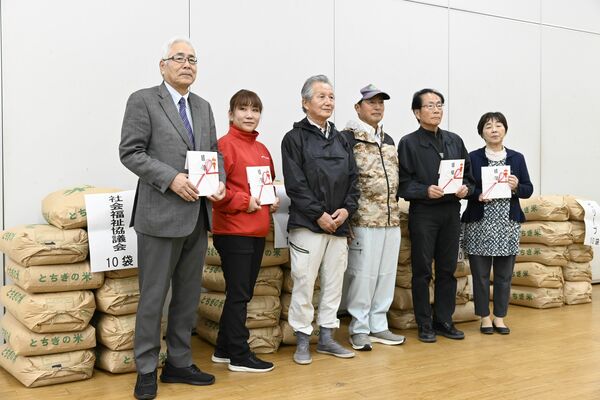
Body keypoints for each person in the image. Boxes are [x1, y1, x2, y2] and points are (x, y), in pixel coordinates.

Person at [119, 37, 225, 400]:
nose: (186, 65)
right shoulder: (144, 100)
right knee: (153, 297)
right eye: (179, 58)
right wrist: (171, 178)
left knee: (187, 295)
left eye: (192, 59)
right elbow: (130, 152)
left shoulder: (203, 107)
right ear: (162, 65)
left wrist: (219, 182)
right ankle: (147, 368)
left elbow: (213, 154)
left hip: (197, 215)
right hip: (159, 215)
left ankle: (179, 362)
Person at [281, 74, 360, 365]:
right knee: (304, 281)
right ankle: (302, 340)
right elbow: (295, 184)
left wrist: (346, 211)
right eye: (321, 96)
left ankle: (327, 338)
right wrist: (318, 214)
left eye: (331, 97)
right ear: (305, 103)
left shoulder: (341, 140)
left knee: (334, 283)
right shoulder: (294, 139)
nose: (328, 102)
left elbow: (354, 180)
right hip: (307, 225)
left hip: (338, 225)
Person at [397, 88, 475, 343]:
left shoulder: (454, 140)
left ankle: (444, 320)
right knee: (422, 271)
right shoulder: (408, 143)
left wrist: (466, 189)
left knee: (447, 269)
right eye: (429, 105)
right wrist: (424, 190)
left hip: (451, 212)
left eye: (439, 105)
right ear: (417, 112)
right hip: (424, 213)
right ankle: (424, 323)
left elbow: (470, 179)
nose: (436, 110)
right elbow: (402, 184)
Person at [210, 89, 279, 372]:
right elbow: (214, 191)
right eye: (243, 109)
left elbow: (268, 184)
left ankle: (223, 349)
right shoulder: (223, 146)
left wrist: (270, 200)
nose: (250, 115)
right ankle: (239, 355)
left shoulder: (262, 149)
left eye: (255, 110)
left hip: (256, 231)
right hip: (233, 231)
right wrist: (244, 201)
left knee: (241, 293)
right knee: (239, 295)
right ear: (231, 114)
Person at [341, 84, 405, 351]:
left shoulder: (388, 140)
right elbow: (343, 179)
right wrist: (347, 218)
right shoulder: (347, 138)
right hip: (363, 219)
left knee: (386, 274)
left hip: (390, 219)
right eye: (371, 102)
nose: (377, 107)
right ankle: (359, 328)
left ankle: (379, 325)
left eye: (381, 102)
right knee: (362, 276)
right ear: (358, 108)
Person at [461, 112, 533, 335]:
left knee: (504, 275)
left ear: (505, 130)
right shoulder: (473, 157)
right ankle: (484, 317)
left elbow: (528, 189)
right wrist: (478, 195)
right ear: (481, 132)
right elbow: (465, 188)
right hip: (479, 224)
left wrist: (516, 186)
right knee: (480, 275)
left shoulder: (516, 158)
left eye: (498, 125)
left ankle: (499, 317)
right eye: (488, 126)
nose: (494, 130)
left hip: (507, 224)